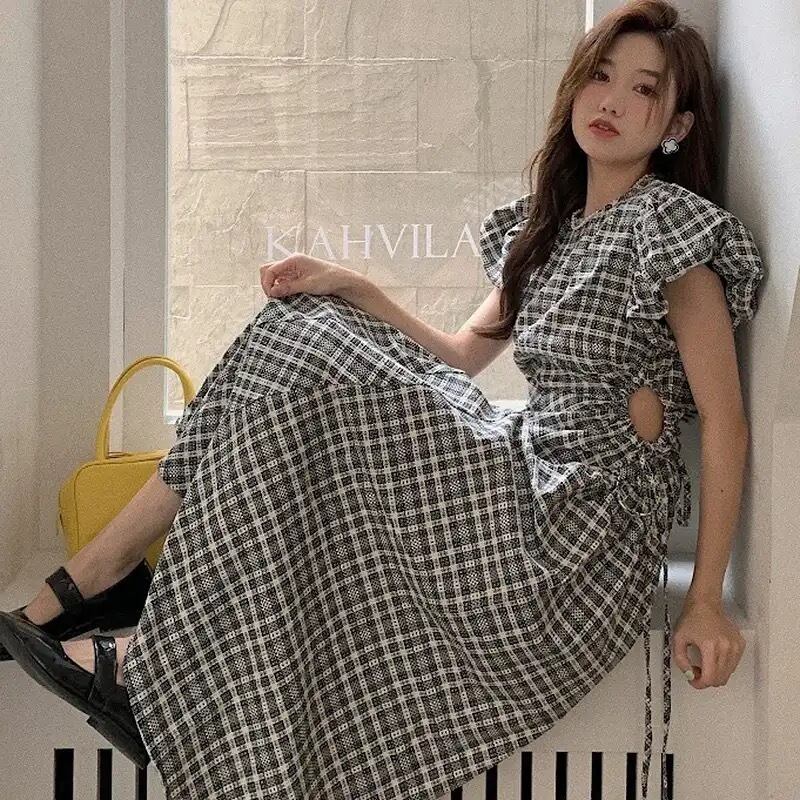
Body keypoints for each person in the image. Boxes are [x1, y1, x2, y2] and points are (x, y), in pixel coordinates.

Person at [0, 1, 764, 798]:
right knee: (297, 327)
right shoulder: (551, 233)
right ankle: (117, 599)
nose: (611, 101)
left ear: (676, 124)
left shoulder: (669, 232)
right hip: (523, 481)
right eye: (601, 75)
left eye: (644, 89)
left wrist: (706, 599)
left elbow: (728, 425)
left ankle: (105, 596)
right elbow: (461, 355)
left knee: (301, 349)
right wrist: (349, 285)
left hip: (578, 538)